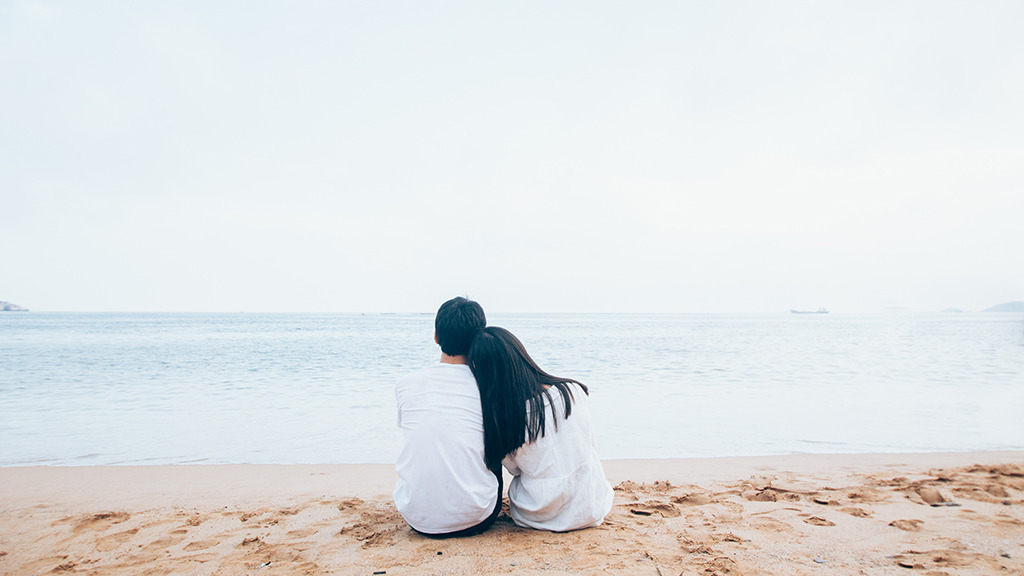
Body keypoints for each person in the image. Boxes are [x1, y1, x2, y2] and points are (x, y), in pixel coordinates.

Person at [468, 326, 613, 532]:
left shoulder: (507, 419)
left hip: (539, 512)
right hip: (591, 503)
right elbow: (588, 444)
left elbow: (515, 469)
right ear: (520, 355)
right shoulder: (572, 391)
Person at [393, 297, 501, 537]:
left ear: (436, 337)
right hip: (477, 518)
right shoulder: (487, 385)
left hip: (416, 517)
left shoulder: (406, 384)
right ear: (479, 339)